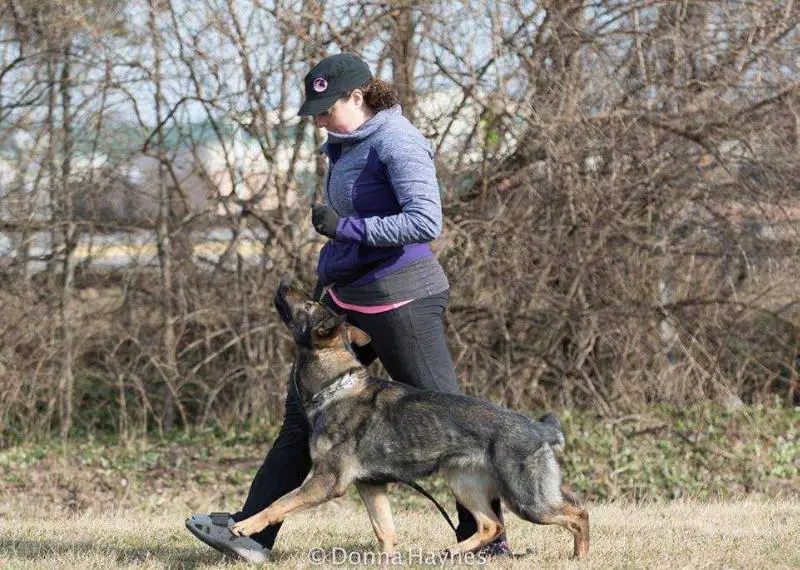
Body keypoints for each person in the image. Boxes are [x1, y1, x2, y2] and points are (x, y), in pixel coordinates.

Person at [185, 53, 509, 562]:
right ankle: (252, 537)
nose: (317, 119)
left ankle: (489, 543)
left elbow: (425, 222)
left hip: (402, 300)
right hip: (347, 300)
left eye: (324, 107)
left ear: (357, 97)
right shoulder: (342, 145)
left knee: (450, 419)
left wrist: (348, 229)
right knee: (303, 421)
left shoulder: (398, 143)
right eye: (312, 110)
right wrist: (329, 266)